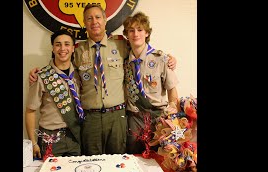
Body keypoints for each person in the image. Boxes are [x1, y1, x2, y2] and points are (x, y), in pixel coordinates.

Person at [28, 4, 177, 155]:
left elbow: (143, 52)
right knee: (91, 164)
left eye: (98, 17)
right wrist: (38, 72)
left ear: (105, 20)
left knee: (119, 162)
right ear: (84, 23)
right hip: (90, 119)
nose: (94, 22)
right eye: (89, 19)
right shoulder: (78, 50)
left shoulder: (121, 45)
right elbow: (61, 64)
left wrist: (169, 59)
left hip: (117, 117)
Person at [122, 12, 179, 155]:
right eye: (131, 30)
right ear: (126, 35)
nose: (136, 34)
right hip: (134, 118)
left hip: (157, 117)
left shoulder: (161, 59)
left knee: (159, 157)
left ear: (147, 33)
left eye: (140, 30)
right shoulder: (123, 61)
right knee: (134, 156)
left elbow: (172, 89)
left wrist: (172, 111)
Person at [25, 29, 83, 159]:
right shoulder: (41, 76)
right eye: (58, 44)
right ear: (52, 48)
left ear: (73, 48)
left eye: (67, 44)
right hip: (50, 138)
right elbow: (30, 111)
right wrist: (33, 143)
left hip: (75, 136)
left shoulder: (80, 74)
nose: (62, 48)